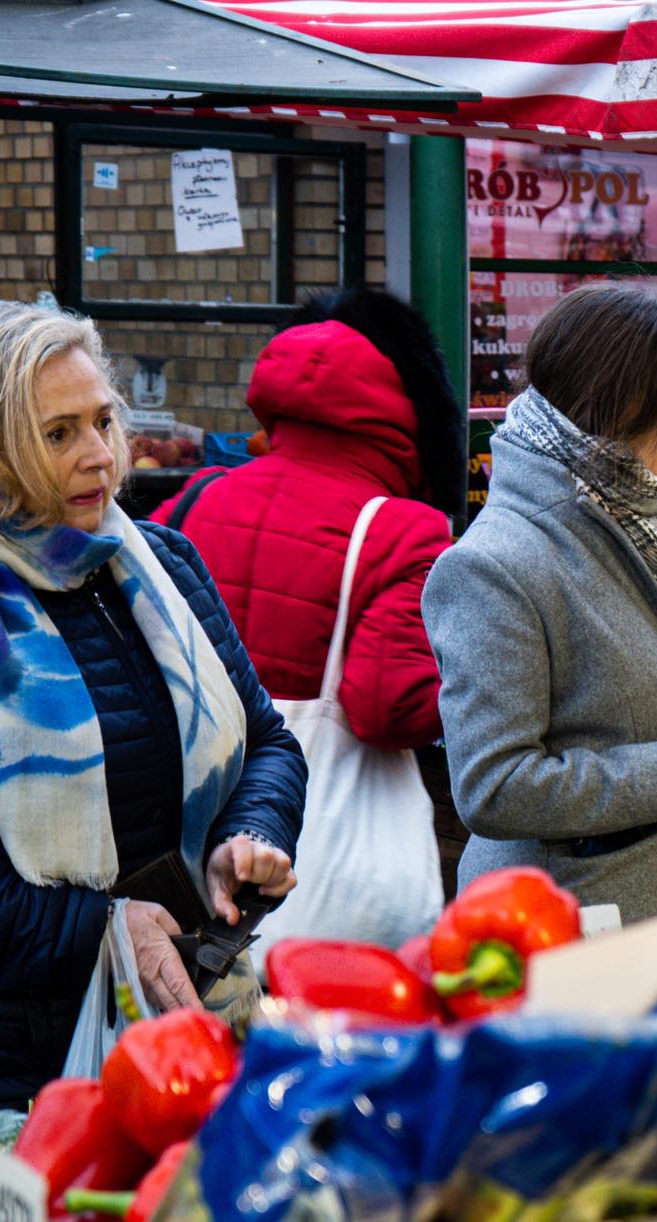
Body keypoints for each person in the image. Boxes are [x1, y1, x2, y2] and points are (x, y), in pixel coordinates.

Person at [0, 300, 307, 1112]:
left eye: (103, 420)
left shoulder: (161, 564)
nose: (101, 455)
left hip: (171, 1036)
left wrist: (248, 836)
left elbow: (267, 740)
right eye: (58, 433)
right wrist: (95, 929)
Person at [424, 284, 657, 949]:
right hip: (566, 937)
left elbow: (617, 716)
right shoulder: (494, 565)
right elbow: (494, 787)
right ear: (617, 406)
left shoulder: (640, 515)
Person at [153, 289, 459, 955]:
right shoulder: (404, 530)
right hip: (334, 895)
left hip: (189, 860)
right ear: (404, 416)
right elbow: (387, 709)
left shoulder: (191, 501)